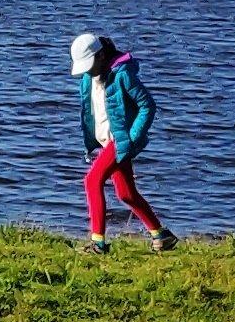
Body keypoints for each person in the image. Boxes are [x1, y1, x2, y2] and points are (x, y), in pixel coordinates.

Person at [69, 30, 172, 246]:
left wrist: (132, 138)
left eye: (89, 64)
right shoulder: (88, 79)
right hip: (107, 142)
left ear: (101, 56)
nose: (87, 71)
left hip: (121, 140)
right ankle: (161, 235)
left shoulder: (123, 75)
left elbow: (147, 106)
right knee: (126, 193)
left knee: (92, 181)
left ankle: (98, 243)